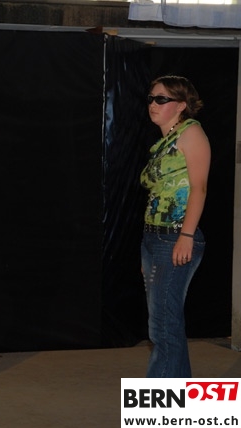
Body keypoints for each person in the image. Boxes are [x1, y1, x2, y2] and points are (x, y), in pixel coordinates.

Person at [140, 75, 210, 377]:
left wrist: (186, 235)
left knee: (163, 327)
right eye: (151, 98)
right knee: (163, 325)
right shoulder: (164, 142)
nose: (153, 104)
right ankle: (179, 397)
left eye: (161, 99)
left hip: (175, 236)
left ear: (181, 105)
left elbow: (199, 188)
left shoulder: (191, 133)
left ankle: (161, 396)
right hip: (154, 239)